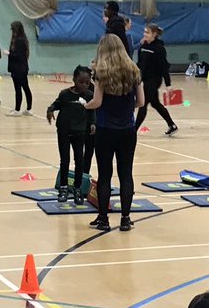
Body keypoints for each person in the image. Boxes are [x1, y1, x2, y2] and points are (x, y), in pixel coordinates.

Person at [84, 34, 143, 233]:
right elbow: (141, 102)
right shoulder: (134, 71)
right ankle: (126, 219)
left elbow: (97, 102)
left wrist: (85, 106)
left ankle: (103, 218)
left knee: (105, 174)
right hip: (127, 129)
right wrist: (126, 108)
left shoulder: (101, 73)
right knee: (126, 173)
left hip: (106, 129)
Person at [47, 66, 95, 203]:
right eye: (81, 82)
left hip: (80, 132)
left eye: (87, 82)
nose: (84, 85)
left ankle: (78, 188)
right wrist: (50, 110)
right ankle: (63, 187)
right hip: (64, 131)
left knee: (79, 161)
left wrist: (92, 124)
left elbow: (92, 113)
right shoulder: (65, 94)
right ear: (74, 80)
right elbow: (56, 105)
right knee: (65, 160)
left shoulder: (89, 96)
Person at [133, 24, 178, 136]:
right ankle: (172, 125)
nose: (145, 34)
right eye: (144, 32)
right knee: (155, 104)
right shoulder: (143, 46)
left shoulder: (159, 48)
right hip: (144, 79)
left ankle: (133, 131)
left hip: (154, 80)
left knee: (143, 103)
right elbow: (140, 63)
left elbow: (164, 67)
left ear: (154, 34)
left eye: (147, 32)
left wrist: (168, 84)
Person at [7, 21, 33, 117]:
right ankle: (28, 108)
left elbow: (19, 55)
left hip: (18, 69)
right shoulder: (22, 39)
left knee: (19, 89)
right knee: (25, 88)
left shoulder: (19, 41)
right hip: (21, 68)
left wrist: (9, 54)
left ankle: (18, 110)